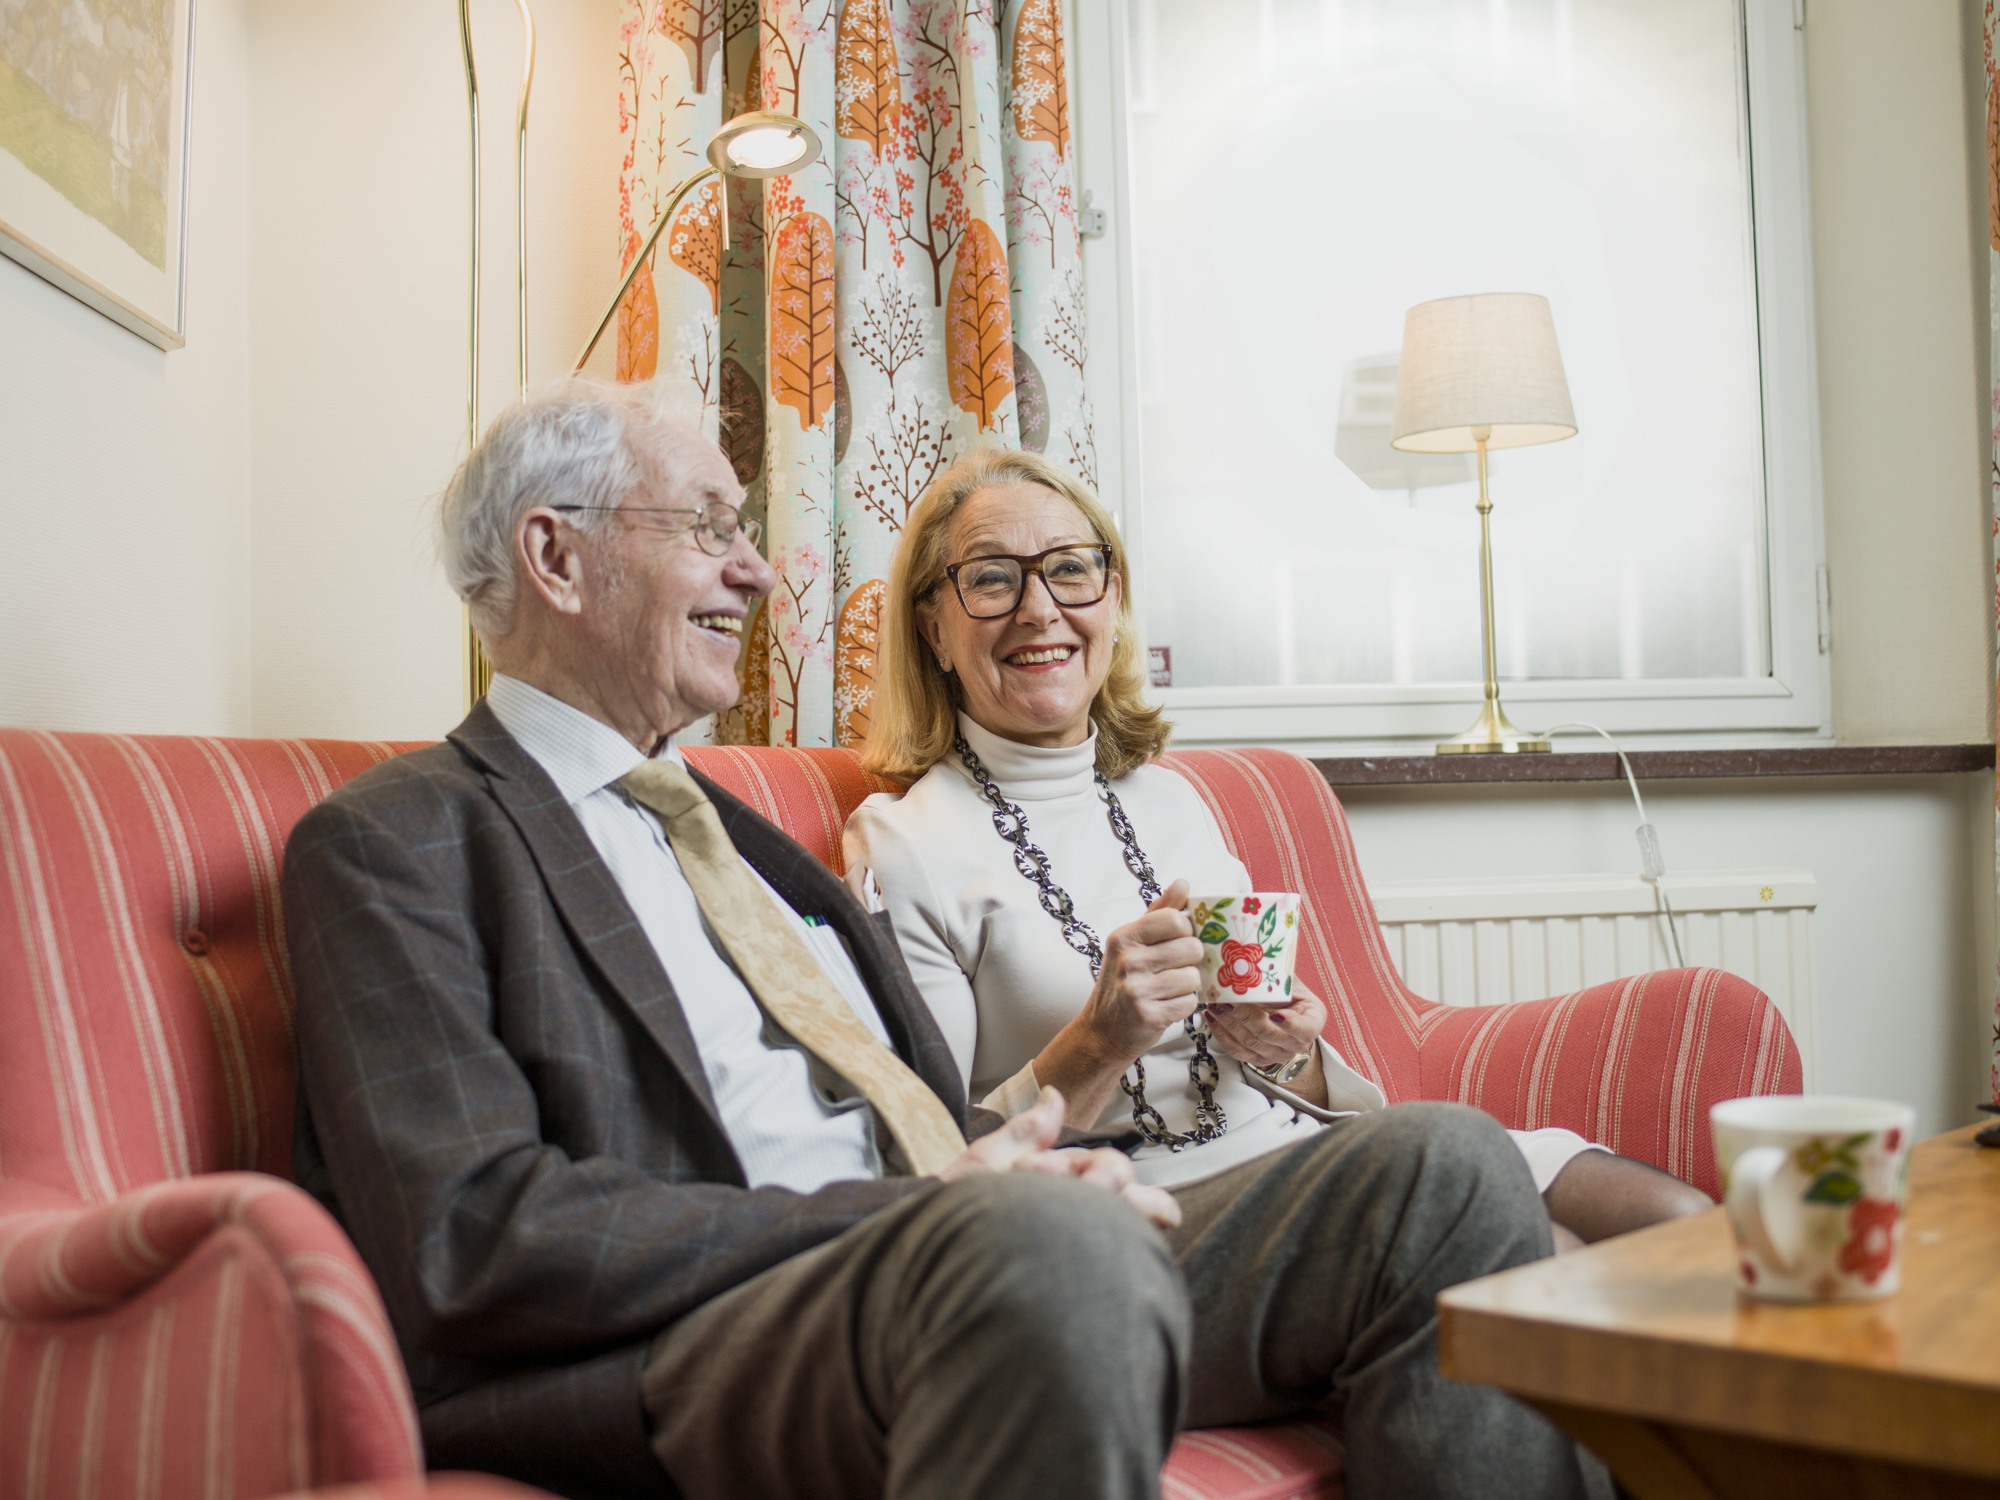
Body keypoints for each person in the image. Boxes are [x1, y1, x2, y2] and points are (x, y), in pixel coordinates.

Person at [285, 378, 1608, 1500]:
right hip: (706, 1331)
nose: (755, 569)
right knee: (1054, 1250)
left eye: (747, 530)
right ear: (555, 558)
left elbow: (927, 1114)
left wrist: (1013, 1162)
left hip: (952, 1259)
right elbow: (468, 1238)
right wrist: (928, 1208)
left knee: (1445, 1163)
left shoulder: (740, 836)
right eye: (707, 527)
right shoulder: (399, 842)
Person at [844, 445, 1710, 1248]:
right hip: (1148, 1211)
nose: (1041, 610)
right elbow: (932, 1160)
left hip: (1304, 1156)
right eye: (992, 580)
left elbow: (1285, 1078)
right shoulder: (905, 845)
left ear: (1111, 600)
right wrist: (1101, 1040)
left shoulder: (1174, 799)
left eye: (1072, 570)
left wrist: (1285, 1047)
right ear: (933, 629)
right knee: (1523, 1233)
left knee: (1683, 1226)